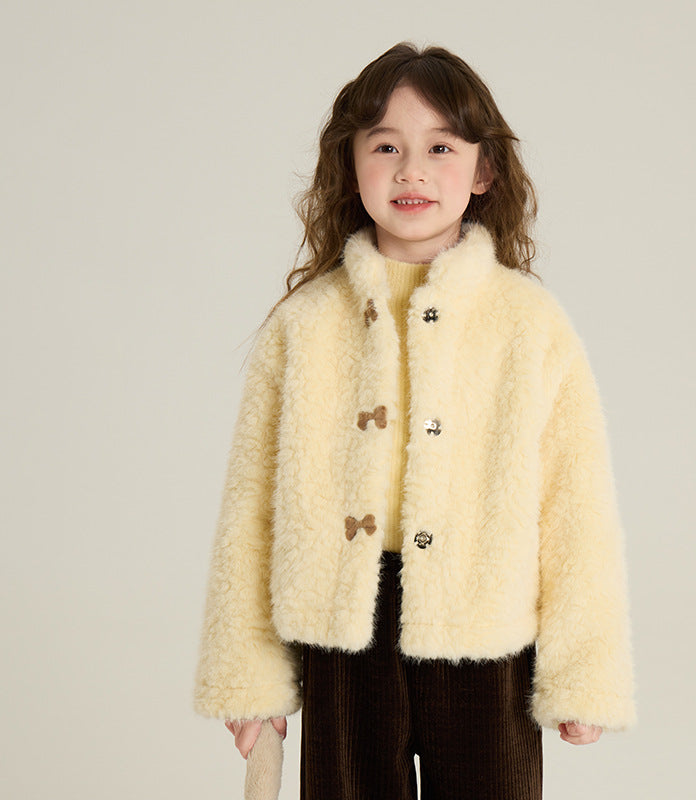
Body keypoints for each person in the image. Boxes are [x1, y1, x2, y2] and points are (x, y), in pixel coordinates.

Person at [194, 41, 636, 799]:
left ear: (484, 170)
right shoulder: (304, 324)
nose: (411, 171)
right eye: (386, 146)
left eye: (440, 147)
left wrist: (584, 671)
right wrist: (249, 676)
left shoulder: (528, 322)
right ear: (350, 165)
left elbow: (576, 503)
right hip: (343, 631)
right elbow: (252, 508)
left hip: (486, 629)